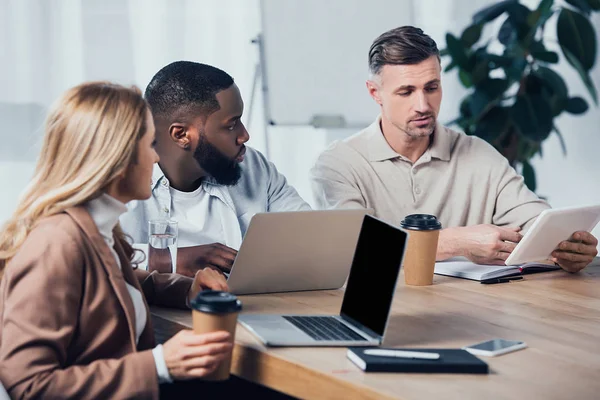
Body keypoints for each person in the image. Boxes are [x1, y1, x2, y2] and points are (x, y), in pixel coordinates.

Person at [0, 82, 232, 398]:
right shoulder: (56, 244)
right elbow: (30, 386)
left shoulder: (94, 228)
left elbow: (109, 285)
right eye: (150, 144)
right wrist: (159, 365)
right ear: (118, 157)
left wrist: (186, 290)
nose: (156, 158)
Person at [310, 26, 597, 273]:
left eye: (431, 87)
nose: (423, 105)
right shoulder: (338, 164)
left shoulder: (478, 153)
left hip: (473, 313)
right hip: (384, 314)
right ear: (375, 93)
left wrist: (566, 247)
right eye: (406, 91)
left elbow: (536, 222)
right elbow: (356, 249)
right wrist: (455, 242)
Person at [120, 61, 310, 277]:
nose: (244, 135)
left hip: (250, 306)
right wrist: (168, 259)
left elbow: (309, 236)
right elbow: (93, 255)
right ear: (181, 135)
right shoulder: (119, 180)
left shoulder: (253, 165)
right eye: (231, 125)